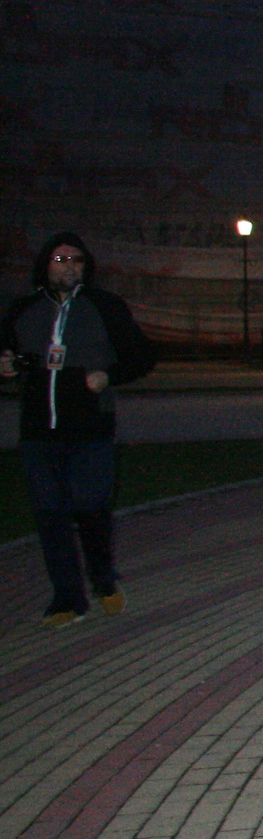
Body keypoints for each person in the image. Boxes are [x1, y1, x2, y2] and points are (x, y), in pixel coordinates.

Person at [3, 234, 157, 625]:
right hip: (39, 431)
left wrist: (108, 375)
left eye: (77, 260)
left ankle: (103, 579)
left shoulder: (104, 307)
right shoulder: (23, 310)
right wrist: (4, 366)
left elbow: (142, 355)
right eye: (60, 258)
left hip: (90, 430)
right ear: (45, 264)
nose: (69, 266)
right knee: (50, 515)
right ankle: (67, 598)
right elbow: (5, 356)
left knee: (90, 510)